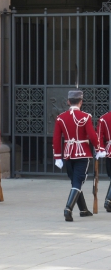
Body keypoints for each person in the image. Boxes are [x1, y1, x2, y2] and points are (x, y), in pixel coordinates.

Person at [53, 90, 104, 221]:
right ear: (81, 102)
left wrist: (58, 156)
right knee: (78, 181)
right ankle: (68, 209)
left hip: (68, 154)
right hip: (82, 153)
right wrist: (98, 148)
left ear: (68, 102)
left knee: (75, 181)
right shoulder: (85, 116)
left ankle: (83, 209)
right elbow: (92, 135)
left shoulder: (61, 118)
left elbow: (56, 138)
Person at [96, 113, 111, 212]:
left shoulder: (104, 118)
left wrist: (100, 149)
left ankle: (109, 202)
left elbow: (99, 136)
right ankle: (108, 200)